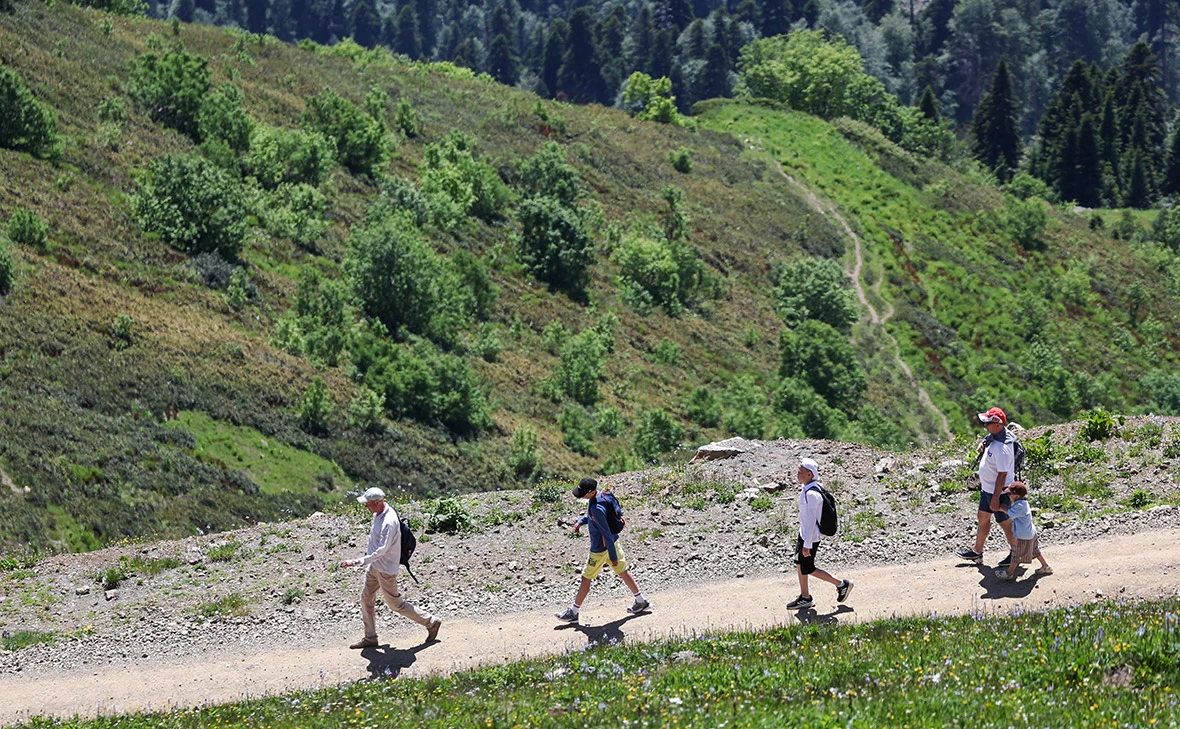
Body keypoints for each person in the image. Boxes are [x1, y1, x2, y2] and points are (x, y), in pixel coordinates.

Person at [340, 486, 441, 649]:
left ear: (378, 502)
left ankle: (431, 622)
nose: (366, 506)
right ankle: (370, 637)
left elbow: (382, 550)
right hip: (374, 566)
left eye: (368, 503)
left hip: (385, 569)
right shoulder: (379, 512)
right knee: (366, 599)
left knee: (396, 605)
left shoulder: (389, 521)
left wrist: (356, 562)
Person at [555, 477, 650, 624]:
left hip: (601, 549)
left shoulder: (596, 508)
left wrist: (612, 557)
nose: (581, 495)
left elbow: (604, 531)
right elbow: (596, 518)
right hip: (614, 542)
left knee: (586, 578)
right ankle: (641, 600)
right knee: (623, 571)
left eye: (583, 493)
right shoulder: (602, 495)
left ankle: (574, 612)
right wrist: (581, 522)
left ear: (591, 492)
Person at [786, 458, 853, 610]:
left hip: (810, 537)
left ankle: (842, 584)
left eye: (800, 472)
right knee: (799, 563)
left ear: (809, 474)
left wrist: (807, 545)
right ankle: (805, 597)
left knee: (808, 568)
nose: (797, 474)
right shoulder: (812, 488)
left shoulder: (811, 495)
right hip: (804, 535)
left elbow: (810, 522)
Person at [955, 407, 1018, 567]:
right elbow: (989, 437)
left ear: (998, 424)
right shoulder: (994, 437)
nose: (985, 425)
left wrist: (996, 498)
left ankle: (1017, 553)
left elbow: (1002, 475)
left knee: (1005, 522)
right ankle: (977, 553)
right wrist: (984, 442)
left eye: (988, 422)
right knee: (983, 518)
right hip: (987, 489)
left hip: (1000, 492)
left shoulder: (1003, 447)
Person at [993, 482, 1053, 581]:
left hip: (1023, 536)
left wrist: (1002, 508)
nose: (1008, 496)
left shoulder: (1020, 506)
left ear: (1016, 496)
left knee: (1016, 555)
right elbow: (1014, 511)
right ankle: (1045, 566)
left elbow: (1011, 514)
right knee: (1035, 550)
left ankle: (1008, 573)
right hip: (1030, 532)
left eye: (1009, 494)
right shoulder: (1023, 503)